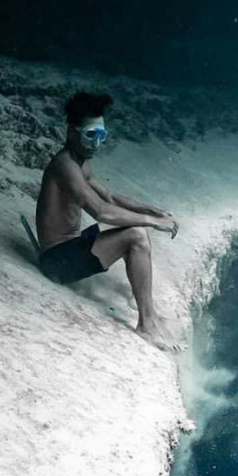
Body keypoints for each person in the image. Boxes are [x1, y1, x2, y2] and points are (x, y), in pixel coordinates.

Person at [35, 91, 183, 351]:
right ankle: (147, 325)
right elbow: (101, 212)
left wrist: (157, 211)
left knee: (137, 232)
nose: (97, 143)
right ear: (72, 132)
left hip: (69, 249)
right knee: (136, 234)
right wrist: (152, 222)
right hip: (56, 261)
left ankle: (149, 312)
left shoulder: (80, 163)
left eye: (102, 136)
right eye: (91, 135)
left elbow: (111, 197)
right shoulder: (64, 165)